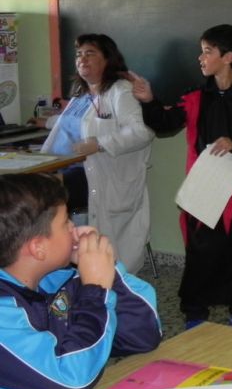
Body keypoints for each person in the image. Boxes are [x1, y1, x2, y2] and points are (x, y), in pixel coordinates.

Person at [131, 24, 232, 332]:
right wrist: (149, 101)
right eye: (202, 51)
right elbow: (166, 122)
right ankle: (195, 311)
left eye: (208, 51)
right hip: (203, 189)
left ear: (228, 57)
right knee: (201, 252)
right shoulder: (194, 96)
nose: (200, 58)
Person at [0, 173, 161, 389]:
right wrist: (96, 289)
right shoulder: (4, 314)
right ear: (38, 248)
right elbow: (73, 378)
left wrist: (107, 272)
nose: (74, 227)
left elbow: (142, 336)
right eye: (66, 222)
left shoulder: (55, 281)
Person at [40, 34, 154, 273]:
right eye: (79, 54)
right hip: (72, 168)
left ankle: (54, 262)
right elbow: (73, 125)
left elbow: (141, 132)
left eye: (90, 53)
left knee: (39, 193)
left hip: (100, 174)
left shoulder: (121, 91)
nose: (82, 59)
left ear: (108, 59)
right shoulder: (82, 94)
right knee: (27, 187)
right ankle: (50, 265)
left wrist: (99, 144)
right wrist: (47, 122)